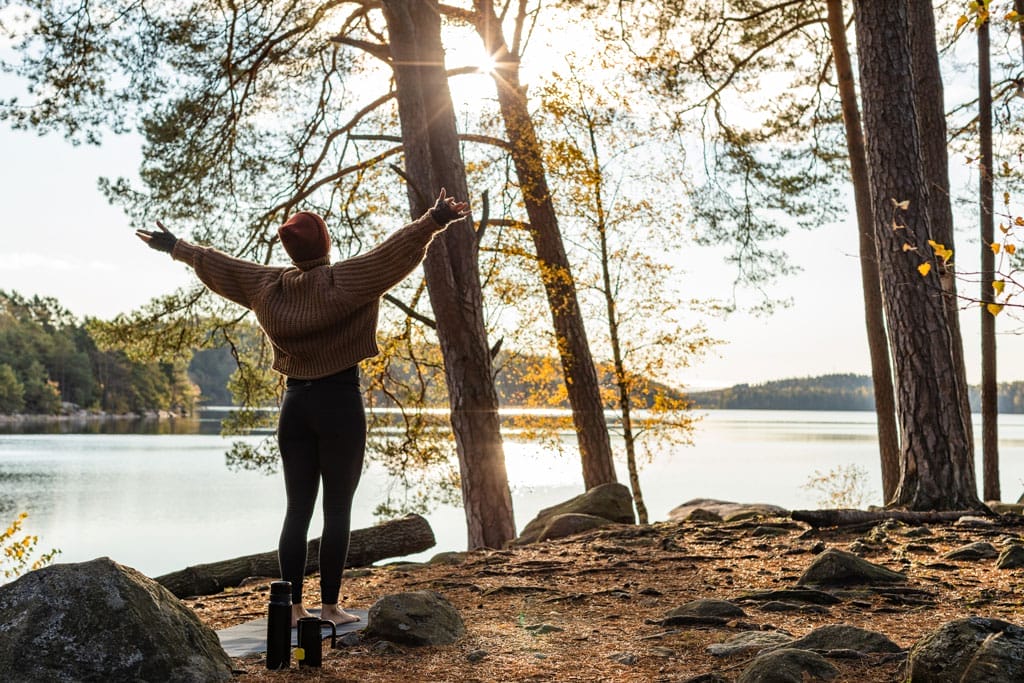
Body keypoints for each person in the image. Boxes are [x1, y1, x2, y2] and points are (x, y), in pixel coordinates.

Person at [136, 189, 469, 626]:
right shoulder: (346, 280)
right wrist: (436, 218)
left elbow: (222, 267)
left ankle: (292, 609)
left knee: (297, 510)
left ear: (290, 249)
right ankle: (330, 606)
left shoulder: (267, 286)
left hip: (295, 405)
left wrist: (175, 247)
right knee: (337, 511)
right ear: (325, 244)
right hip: (338, 403)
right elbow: (396, 251)